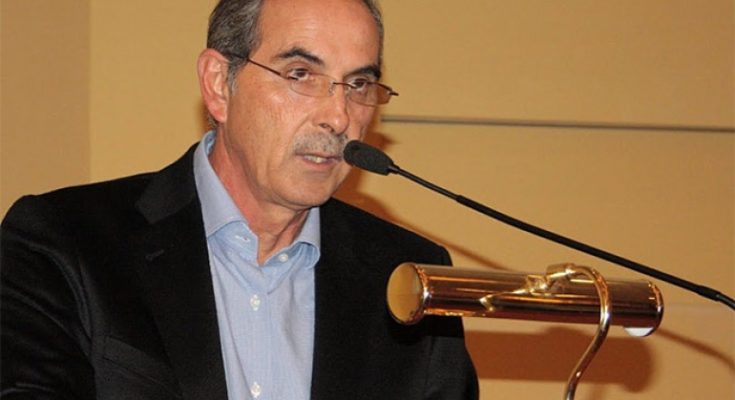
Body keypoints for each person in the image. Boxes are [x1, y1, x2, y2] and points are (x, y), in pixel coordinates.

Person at [0, 0, 478, 399]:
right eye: (300, 74)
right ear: (218, 84)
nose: (338, 117)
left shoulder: (409, 277)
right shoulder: (63, 243)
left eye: (358, 85)